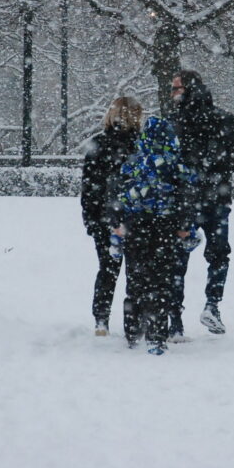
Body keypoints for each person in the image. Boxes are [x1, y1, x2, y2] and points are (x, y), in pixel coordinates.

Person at [109, 117, 198, 355]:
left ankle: (133, 329)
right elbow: (187, 196)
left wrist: (117, 223)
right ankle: (157, 335)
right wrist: (185, 224)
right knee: (161, 281)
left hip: (136, 226)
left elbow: (117, 194)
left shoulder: (134, 163)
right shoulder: (174, 163)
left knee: (136, 280)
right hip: (165, 227)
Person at [169, 69, 234, 337]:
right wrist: (215, 166)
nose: (172, 94)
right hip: (216, 198)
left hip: (184, 201)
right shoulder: (223, 119)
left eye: (176, 89)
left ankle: (174, 319)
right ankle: (212, 305)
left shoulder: (175, 122)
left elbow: (168, 162)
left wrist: (191, 169)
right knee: (219, 254)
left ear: (188, 90)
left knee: (178, 256)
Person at [81, 96, 143, 336]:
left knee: (107, 268)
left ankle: (101, 317)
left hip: (104, 217)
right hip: (135, 216)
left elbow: (89, 187)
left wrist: (91, 219)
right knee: (134, 271)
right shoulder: (140, 145)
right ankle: (133, 319)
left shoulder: (98, 144)